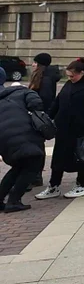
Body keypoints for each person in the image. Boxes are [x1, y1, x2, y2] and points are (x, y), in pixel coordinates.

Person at [36, 58, 84, 200]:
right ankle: (53, 186)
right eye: (68, 76)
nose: (70, 78)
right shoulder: (69, 84)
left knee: (82, 157)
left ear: (82, 73)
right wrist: (49, 117)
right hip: (63, 127)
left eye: (73, 76)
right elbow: (58, 101)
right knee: (58, 157)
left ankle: (81, 185)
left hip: (82, 129)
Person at [0, 68, 47, 212]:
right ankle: (14, 200)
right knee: (32, 165)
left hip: (4, 139)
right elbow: (37, 104)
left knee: (18, 167)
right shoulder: (22, 91)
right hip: (24, 134)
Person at [27, 53, 60, 187]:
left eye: (35, 62)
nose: (33, 65)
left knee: (36, 145)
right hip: (38, 115)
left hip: (39, 117)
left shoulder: (45, 79)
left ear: (40, 65)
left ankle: (35, 175)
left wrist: (35, 107)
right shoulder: (42, 76)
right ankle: (35, 175)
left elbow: (45, 98)